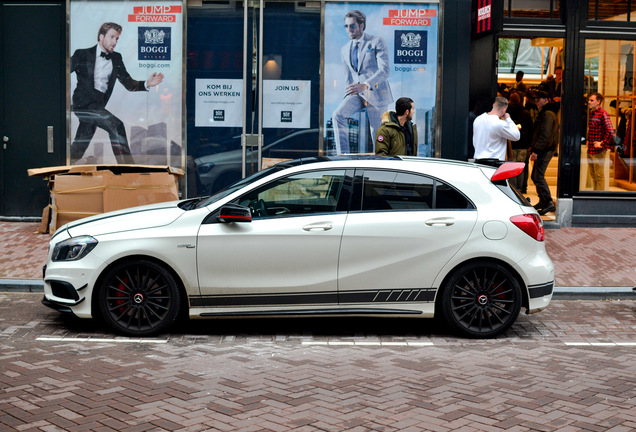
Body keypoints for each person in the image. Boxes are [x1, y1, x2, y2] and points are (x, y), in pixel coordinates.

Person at [70, 22, 164, 164]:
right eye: (112, 37)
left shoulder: (116, 58)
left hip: (98, 107)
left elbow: (128, 83)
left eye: (117, 38)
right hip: (83, 105)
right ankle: (127, 169)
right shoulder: (82, 54)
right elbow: (61, 74)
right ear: (101, 37)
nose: (115, 42)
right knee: (116, 125)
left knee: (81, 142)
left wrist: (146, 83)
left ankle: (62, 167)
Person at [332, 10, 392, 154]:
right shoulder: (344, 49)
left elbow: (385, 70)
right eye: (346, 26)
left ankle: (382, 162)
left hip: (376, 92)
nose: (349, 30)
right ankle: (343, 156)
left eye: (352, 26)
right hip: (357, 94)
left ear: (362, 25)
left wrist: (365, 85)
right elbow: (348, 76)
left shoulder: (376, 41)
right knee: (338, 115)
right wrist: (348, 94)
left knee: (376, 133)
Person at [530, 91, 560, 215]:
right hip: (544, 148)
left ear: (546, 100)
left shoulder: (547, 113)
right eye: (535, 100)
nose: (536, 102)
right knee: (535, 176)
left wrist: (536, 150)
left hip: (545, 149)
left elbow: (545, 134)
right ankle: (543, 201)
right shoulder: (546, 112)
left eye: (538, 100)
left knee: (538, 176)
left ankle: (548, 202)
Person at [472, 96, 520, 162]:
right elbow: (516, 136)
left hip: (478, 160)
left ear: (493, 105)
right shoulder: (500, 124)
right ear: (504, 109)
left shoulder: (478, 119)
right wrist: (508, 119)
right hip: (493, 163)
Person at [587, 92, 616, 190]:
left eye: (592, 100)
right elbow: (591, 129)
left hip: (598, 150)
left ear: (598, 102)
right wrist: (588, 139)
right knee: (593, 175)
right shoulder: (592, 113)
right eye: (589, 100)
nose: (589, 102)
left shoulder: (603, 114)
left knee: (598, 175)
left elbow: (611, 131)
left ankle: (599, 198)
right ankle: (595, 196)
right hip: (591, 148)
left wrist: (603, 143)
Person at [506, 92, 533, 191]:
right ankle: (521, 188)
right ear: (520, 100)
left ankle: (513, 188)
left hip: (511, 144)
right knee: (521, 166)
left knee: (512, 166)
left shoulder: (506, 112)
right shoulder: (525, 112)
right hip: (523, 144)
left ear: (509, 100)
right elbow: (530, 129)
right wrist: (530, 144)